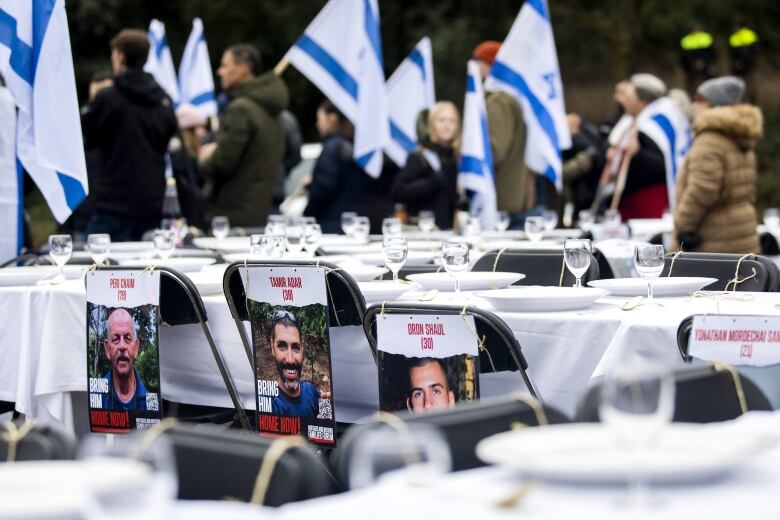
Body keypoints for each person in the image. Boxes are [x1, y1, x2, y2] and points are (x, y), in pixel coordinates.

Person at [82, 29, 178, 241]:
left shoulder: (108, 99)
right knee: (147, 271)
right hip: (151, 203)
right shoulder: (163, 100)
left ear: (120, 56)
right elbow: (167, 138)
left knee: (94, 267)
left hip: (113, 203)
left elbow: (88, 138)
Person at [199, 44, 289, 227]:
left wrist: (206, 157)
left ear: (244, 68)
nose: (220, 71)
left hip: (230, 215)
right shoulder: (272, 110)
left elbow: (224, 162)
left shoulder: (241, 108)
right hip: (258, 211)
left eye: (225, 65)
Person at [673, 76, 762, 254]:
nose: (693, 104)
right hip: (742, 230)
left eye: (699, 100)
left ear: (713, 105)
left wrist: (684, 225)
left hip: (713, 237)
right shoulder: (739, 134)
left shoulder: (709, 139)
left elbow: (703, 188)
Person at [473, 41, 538, 229]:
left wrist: (462, 146)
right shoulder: (513, 97)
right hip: (514, 196)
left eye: (478, 61)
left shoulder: (498, 101)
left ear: (489, 66)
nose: (474, 67)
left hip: (503, 200)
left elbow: (494, 150)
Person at [604, 74, 669, 220]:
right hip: (627, 200)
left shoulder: (654, 127)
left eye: (629, 96)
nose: (623, 101)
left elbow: (663, 165)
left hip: (647, 200)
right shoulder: (630, 122)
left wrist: (638, 153)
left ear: (643, 100)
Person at [391, 102, 461, 230]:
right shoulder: (420, 156)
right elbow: (398, 191)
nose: (447, 125)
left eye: (452, 121)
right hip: (423, 232)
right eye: (441, 120)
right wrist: (431, 182)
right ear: (431, 124)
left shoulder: (456, 157)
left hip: (449, 232)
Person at [303, 100, 367, 233]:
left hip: (330, 221)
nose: (318, 124)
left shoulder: (331, 148)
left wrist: (308, 213)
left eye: (320, 118)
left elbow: (324, 187)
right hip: (352, 221)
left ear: (332, 118)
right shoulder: (355, 147)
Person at [268, 310, 324, 417]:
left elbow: (323, 421)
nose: (290, 359)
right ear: (272, 347)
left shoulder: (310, 389)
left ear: (302, 349)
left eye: (295, 347)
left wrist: (327, 405)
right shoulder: (271, 405)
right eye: (282, 346)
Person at [102, 308, 148, 411]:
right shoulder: (97, 396)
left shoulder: (149, 400)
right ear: (107, 349)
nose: (122, 346)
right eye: (115, 339)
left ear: (136, 348)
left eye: (127, 338)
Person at [679, 24, 717, 95]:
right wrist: (692, 64)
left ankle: (712, 96)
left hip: (706, 64)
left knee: (711, 80)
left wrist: (705, 62)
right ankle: (692, 98)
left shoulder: (707, 37)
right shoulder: (686, 40)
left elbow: (712, 52)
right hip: (691, 66)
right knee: (691, 84)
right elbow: (683, 56)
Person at [728, 19, 759, 103]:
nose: (734, 29)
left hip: (748, 64)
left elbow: (753, 51)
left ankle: (752, 102)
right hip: (737, 65)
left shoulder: (750, 35)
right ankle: (739, 102)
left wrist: (743, 62)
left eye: (735, 27)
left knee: (749, 83)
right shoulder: (733, 37)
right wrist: (736, 63)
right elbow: (732, 53)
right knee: (736, 84)